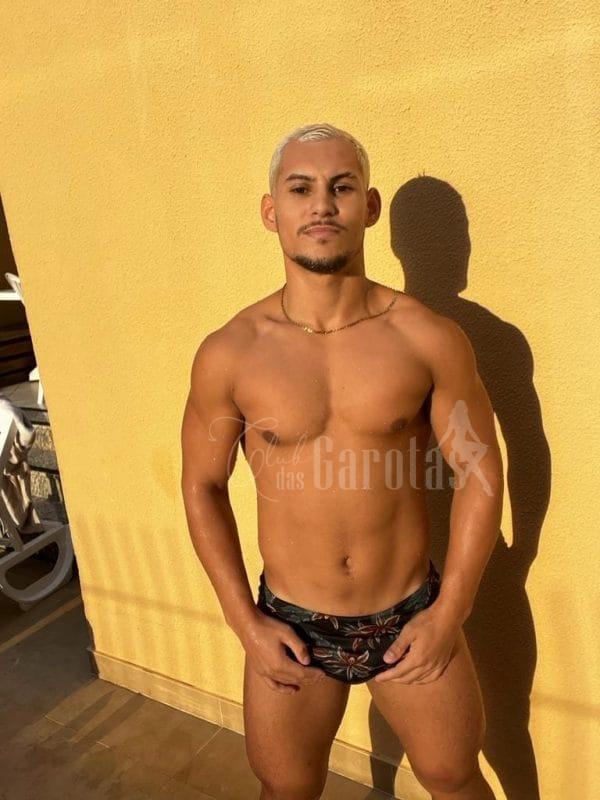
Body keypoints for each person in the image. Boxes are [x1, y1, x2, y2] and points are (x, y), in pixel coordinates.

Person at [180, 122, 503, 800]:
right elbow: (203, 485)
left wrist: (451, 610)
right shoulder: (232, 351)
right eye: (300, 189)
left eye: (342, 187)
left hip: (409, 611)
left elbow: (479, 471)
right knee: (286, 788)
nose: (321, 205)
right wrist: (245, 621)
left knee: (454, 778)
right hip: (291, 623)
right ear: (271, 211)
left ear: (369, 206)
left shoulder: (428, 337)